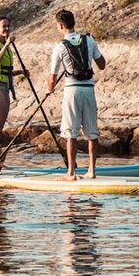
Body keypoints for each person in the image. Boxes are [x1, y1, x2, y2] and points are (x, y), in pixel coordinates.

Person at [47, 9, 107, 181]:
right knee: (92, 132)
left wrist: (49, 89)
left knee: (70, 132)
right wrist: (94, 44)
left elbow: (52, 78)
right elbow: (102, 65)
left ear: (60, 26)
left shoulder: (59, 47)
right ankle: (91, 171)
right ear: (73, 23)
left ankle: (71, 173)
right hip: (88, 89)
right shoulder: (89, 41)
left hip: (71, 90)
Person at [0, 16, 27, 164]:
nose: (7, 29)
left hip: (5, 86)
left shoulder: (5, 46)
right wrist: (7, 45)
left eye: (8, 26)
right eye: (4, 27)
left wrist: (20, 72)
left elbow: (6, 71)